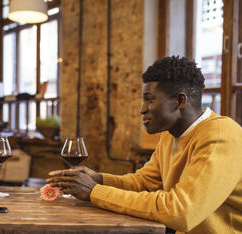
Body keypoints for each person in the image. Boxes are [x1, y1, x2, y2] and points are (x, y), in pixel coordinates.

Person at [47, 56, 242, 234]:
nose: (142, 110)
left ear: (179, 101)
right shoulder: (170, 135)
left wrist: (94, 192)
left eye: (149, 100)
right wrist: (99, 179)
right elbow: (144, 184)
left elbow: (181, 211)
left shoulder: (221, 136)